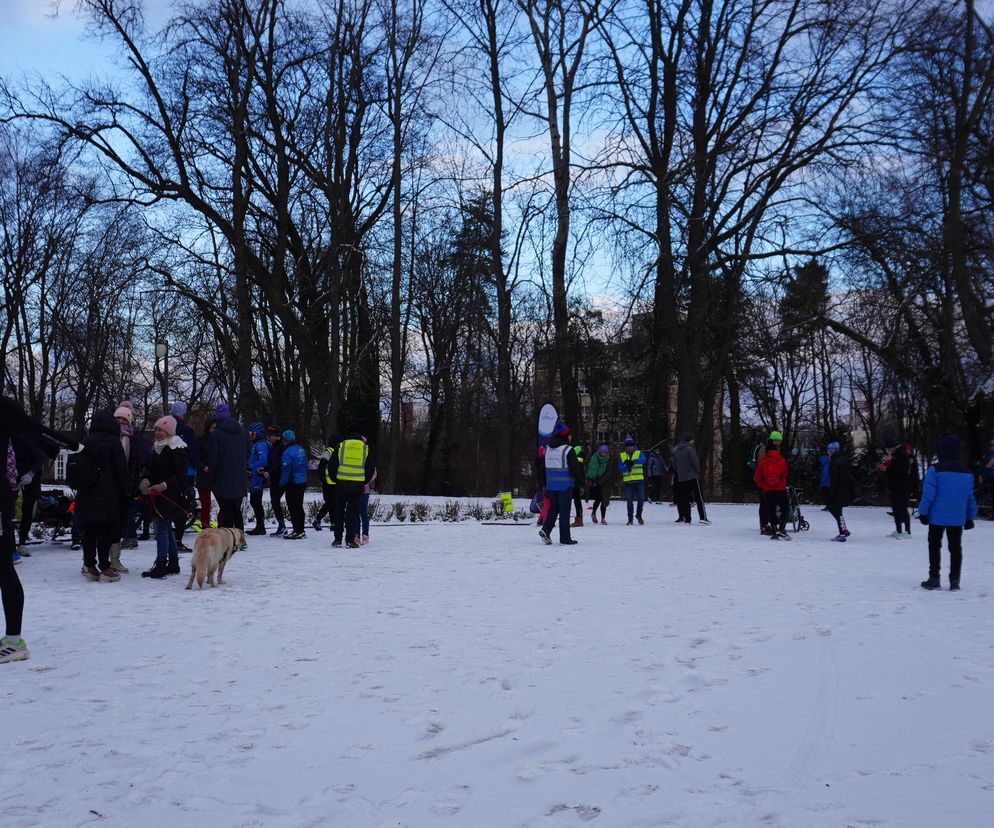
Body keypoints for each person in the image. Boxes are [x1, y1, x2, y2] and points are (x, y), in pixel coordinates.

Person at [1, 398, 79, 663]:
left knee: (3, 568)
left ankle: (14, 641)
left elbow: (35, 430)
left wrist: (71, 445)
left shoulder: (3, 406)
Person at [75, 411, 131, 582]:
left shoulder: (85, 442)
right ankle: (105, 568)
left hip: (86, 494)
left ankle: (90, 567)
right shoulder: (113, 443)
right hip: (108, 494)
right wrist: (127, 492)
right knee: (105, 531)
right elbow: (121, 470)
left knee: (89, 531)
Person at [918, 435, 977, 591]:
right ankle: (955, 580)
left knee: (934, 546)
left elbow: (928, 495)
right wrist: (970, 517)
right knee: (955, 548)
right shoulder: (967, 472)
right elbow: (970, 497)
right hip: (957, 518)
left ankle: (934, 578)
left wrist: (923, 512)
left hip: (936, 517)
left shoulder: (935, 470)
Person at [140, 416, 190, 578]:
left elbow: (180, 475)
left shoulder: (176, 448)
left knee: (161, 528)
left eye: (160, 429)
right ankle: (173, 563)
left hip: (171, 495)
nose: (157, 433)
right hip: (156, 494)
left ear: (169, 431)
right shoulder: (156, 448)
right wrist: (146, 480)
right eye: (156, 429)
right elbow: (151, 469)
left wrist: (164, 485)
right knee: (165, 528)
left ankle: (161, 564)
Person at [206, 403, 248, 530]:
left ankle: (230, 539)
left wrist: (211, 475)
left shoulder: (216, 434)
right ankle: (241, 538)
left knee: (226, 509)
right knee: (236, 509)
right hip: (240, 476)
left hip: (223, 477)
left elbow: (213, 458)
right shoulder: (242, 431)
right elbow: (248, 451)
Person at [330, 430, 374, 548]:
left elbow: (332, 465)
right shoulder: (365, 448)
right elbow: (370, 468)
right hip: (357, 485)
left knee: (339, 512)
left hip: (341, 484)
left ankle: (337, 539)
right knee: (353, 513)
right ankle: (350, 540)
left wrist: (335, 479)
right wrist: (364, 481)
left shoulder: (341, 446)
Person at [539, 427, 583, 545]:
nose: (571, 437)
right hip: (565, 486)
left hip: (551, 486)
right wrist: (580, 484)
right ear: (565, 436)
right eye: (570, 436)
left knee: (554, 509)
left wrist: (544, 485)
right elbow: (575, 469)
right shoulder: (568, 450)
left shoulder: (548, 449)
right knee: (564, 511)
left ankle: (546, 530)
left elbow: (542, 469)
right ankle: (565, 538)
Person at [170, 401, 200, 552]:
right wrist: (198, 466)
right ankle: (178, 540)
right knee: (183, 504)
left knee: (169, 502)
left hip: (168, 472)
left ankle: (167, 536)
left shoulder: (166, 427)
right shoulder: (187, 430)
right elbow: (193, 451)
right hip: (186, 472)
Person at [754, 436, 790, 540]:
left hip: (768, 490)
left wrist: (762, 487)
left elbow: (758, 477)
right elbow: (786, 473)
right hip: (780, 488)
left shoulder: (762, 461)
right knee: (785, 509)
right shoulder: (781, 459)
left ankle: (774, 531)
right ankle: (782, 528)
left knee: (771, 511)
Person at [279, 430, 308, 540]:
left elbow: (286, 469)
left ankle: (297, 530)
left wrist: (282, 483)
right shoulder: (301, 449)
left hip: (293, 483)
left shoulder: (287, 452)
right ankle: (301, 530)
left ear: (285, 440)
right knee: (299, 506)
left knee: (293, 507)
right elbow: (305, 465)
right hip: (302, 481)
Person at [883, 436, 914, 538]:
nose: (888, 451)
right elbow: (893, 469)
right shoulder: (895, 454)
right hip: (894, 485)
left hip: (902, 485)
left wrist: (886, 469)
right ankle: (899, 530)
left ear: (893, 447)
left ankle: (907, 531)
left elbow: (900, 470)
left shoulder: (902, 454)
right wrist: (886, 467)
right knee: (895, 508)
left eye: (888, 448)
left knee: (902, 507)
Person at [671, 434, 704, 525]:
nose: (693, 442)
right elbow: (695, 462)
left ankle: (687, 519)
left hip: (682, 478)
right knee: (699, 497)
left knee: (684, 499)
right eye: (693, 440)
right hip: (693, 476)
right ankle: (703, 517)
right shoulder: (690, 449)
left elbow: (674, 464)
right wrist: (697, 471)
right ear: (689, 441)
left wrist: (680, 472)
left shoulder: (675, 450)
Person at [826, 441, 854, 542]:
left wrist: (831, 493)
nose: (827, 452)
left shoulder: (834, 463)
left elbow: (835, 480)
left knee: (834, 509)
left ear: (833, 451)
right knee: (838, 511)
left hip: (838, 490)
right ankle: (844, 530)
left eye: (829, 450)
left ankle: (842, 533)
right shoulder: (844, 460)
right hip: (845, 489)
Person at [261, 425, 286, 536]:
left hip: (280, 478)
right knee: (274, 502)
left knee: (275, 501)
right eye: (268, 435)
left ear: (277, 436)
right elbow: (272, 463)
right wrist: (265, 469)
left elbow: (280, 464)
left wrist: (269, 472)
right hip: (274, 478)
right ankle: (281, 526)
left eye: (270, 435)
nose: (268, 438)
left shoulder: (281, 447)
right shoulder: (273, 447)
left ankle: (282, 526)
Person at [313, 434, 341, 532]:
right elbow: (321, 466)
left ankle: (333, 523)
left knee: (332, 503)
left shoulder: (337, 451)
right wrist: (323, 479)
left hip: (334, 482)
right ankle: (318, 520)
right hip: (328, 483)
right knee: (330, 503)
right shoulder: (328, 451)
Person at [195, 418, 218, 530]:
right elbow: (196, 457)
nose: (214, 430)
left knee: (224, 503)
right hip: (204, 475)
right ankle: (205, 528)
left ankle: (221, 526)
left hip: (216, 475)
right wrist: (203, 467)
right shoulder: (201, 440)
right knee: (205, 506)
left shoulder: (219, 440)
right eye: (213, 428)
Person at [247, 422, 269, 535]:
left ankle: (260, 527)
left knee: (256, 501)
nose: (250, 435)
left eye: (252, 433)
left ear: (258, 433)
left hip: (257, 477)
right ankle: (260, 526)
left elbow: (263, 460)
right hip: (255, 476)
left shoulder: (260, 445)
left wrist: (250, 467)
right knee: (255, 501)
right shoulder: (258, 444)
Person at [618, 437, 646, 525]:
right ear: (625, 448)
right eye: (627, 446)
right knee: (629, 500)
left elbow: (643, 460)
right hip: (628, 482)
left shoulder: (639, 453)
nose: (629, 448)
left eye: (631, 446)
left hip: (639, 481)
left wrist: (633, 461)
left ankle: (639, 514)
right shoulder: (622, 455)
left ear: (634, 446)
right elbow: (620, 469)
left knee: (641, 498)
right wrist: (627, 465)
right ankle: (630, 518)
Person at [586, 444, 612, 524]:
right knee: (598, 499)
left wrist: (599, 482)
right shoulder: (594, 458)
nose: (603, 454)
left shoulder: (608, 461)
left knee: (604, 501)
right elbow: (590, 469)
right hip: (594, 482)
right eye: (602, 452)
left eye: (605, 452)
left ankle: (603, 518)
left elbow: (608, 474)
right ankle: (593, 513)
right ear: (599, 452)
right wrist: (590, 479)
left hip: (604, 484)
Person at [570, 439, 585, 528]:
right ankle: (579, 519)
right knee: (577, 501)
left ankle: (578, 520)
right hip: (578, 483)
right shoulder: (580, 460)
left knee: (576, 501)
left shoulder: (575, 459)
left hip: (574, 483)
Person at [360, 465, 377, 544]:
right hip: (353, 489)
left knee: (363, 512)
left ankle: (365, 535)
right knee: (354, 512)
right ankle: (356, 534)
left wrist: (366, 481)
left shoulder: (367, 459)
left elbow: (374, 473)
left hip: (364, 491)